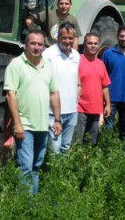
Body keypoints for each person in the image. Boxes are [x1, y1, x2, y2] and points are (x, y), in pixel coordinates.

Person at [4, 30, 62, 194]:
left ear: (44, 46)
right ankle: (26, 207)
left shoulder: (47, 66)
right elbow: (10, 95)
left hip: (42, 125)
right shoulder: (16, 65)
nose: (36, 47)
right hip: (25, 126)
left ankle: (33, 202)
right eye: (33, 43)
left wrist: (57, 119)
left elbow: (54, 93)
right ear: (26, 44)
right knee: (26, 167)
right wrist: (17, 123)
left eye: (40, 44)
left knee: (37, 166)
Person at [42, 21, 80, 154]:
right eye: (64, 37)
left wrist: (78, 91)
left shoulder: (76, 55)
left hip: (72, 110)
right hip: (53, 112)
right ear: (57, 37)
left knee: (66, 147)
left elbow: (76, 78)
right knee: (54, 148)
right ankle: (52, 174)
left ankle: (63, 175)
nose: (67, 41)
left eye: (70, 38)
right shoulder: (48, 55)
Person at [74, 33, 111, 145]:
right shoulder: (77, 61)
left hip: (95, 108)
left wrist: (108, 104)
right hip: (80, 108)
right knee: (76, 141)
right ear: (84, 44)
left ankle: (86, 162)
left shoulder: (101, 64)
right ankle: (76, 162)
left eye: (95, 43)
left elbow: (104, 86)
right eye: (90, 43)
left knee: (90, 142)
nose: (93, 46)